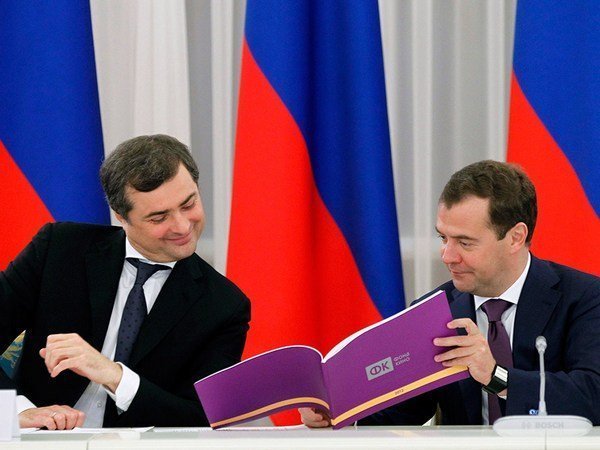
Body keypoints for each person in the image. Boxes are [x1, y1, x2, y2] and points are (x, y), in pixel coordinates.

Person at [301, 160, 600, 427]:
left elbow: (593, 394)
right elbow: (405, 410)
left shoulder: (585, 298)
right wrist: (339, 414)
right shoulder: (435, 311)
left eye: (465, 243)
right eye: (443, 238)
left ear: (515, 238)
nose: (447, 256)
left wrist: (496, 376)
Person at [0, 135, 250, 429]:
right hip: (36, 442)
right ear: (121, 216)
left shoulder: (223, 306)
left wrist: (115, 376)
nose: (182, 226)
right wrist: (16, 412)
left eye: (188, 204)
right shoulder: (59, 249)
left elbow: (200, 418)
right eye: (159, 218)